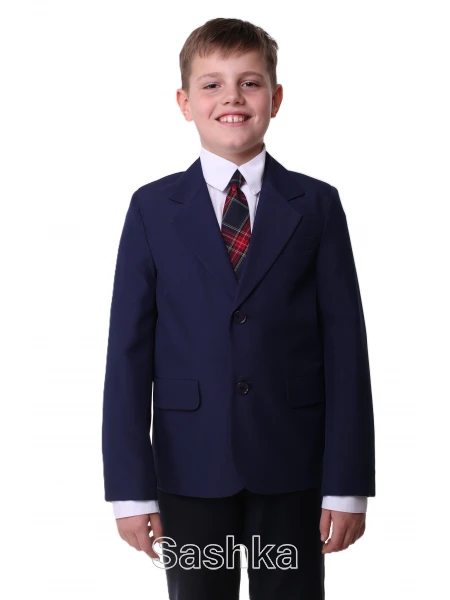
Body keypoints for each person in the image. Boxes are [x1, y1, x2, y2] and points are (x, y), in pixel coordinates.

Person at [102, 17, 376, 600]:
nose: (232, 97)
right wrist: (130, 489)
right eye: (212, 85)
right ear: (185, 103)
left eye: (250, 83)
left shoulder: (317, 205)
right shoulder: (151, 208)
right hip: (188, 468)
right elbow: (127, 353)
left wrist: (347, 484)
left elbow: (346, 349)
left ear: (276, 99)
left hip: (293, 465)